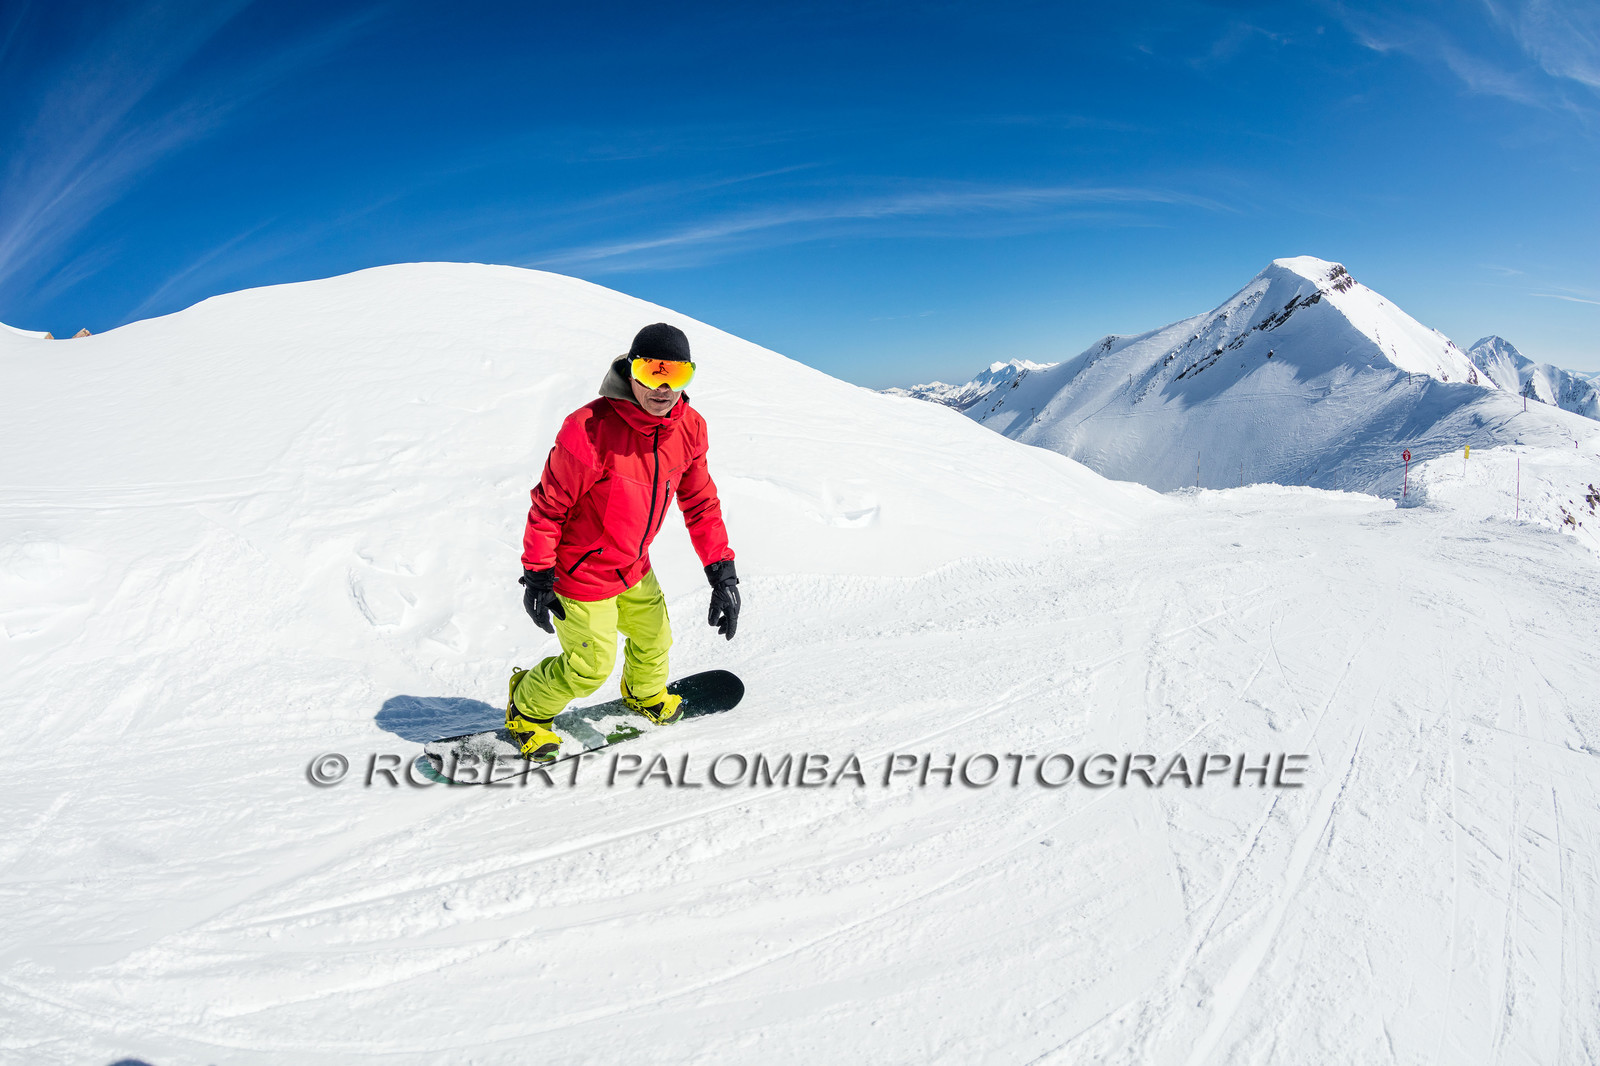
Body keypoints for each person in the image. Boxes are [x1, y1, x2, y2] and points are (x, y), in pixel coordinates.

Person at [506, 322, 740, 761]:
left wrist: (721, 572)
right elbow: (549, 507)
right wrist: (537, 575)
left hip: (634, 566)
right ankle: (527, 708)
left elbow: (700, 502)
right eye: (653, 372)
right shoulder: (588, 429)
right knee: (589, 668)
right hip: (581, 573)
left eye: (677, 374)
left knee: (655, 638)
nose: (664, 388)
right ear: (631, 370)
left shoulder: (690, 428)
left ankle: (644, 694)